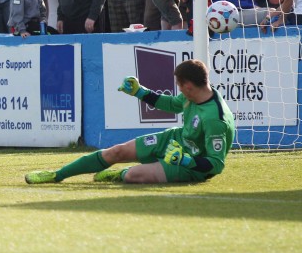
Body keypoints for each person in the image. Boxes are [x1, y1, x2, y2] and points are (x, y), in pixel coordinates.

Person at [25, 59, 235, 184]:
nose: (179, 90)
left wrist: (186, 161)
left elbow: (216, 165)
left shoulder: (215, 119)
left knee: (133, 176)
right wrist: (139, 92)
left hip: (192, 164)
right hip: (176, 139)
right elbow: (170, 103)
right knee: (116, 151)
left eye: (180, 86)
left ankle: (121, 174)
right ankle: (57, 175)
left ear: (188, 86)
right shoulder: (195, 94)